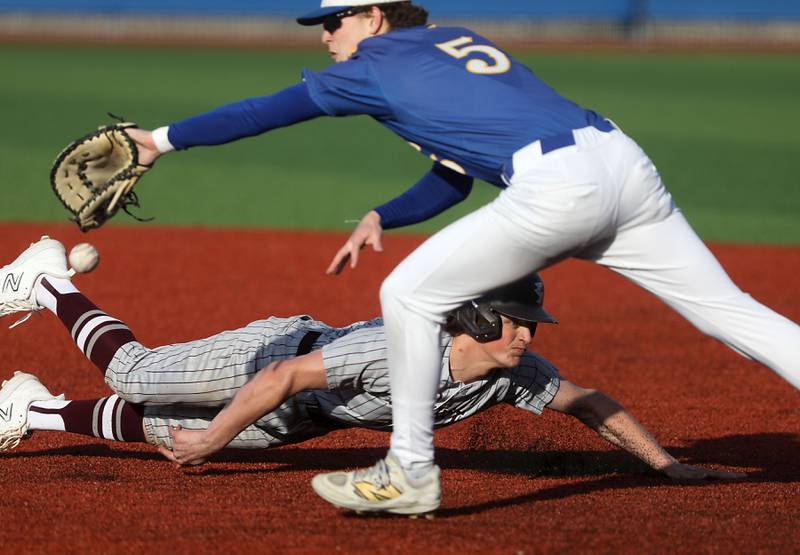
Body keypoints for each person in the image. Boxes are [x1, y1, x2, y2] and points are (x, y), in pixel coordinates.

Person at [73, 0, 800, 514]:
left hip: (558, 183)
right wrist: (386, 214)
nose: (326, 35)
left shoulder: (372, 65)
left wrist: (158, 140)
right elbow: (455, 171)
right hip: (620, 163)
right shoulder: (452, 41)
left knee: (408, 296)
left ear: (376, 17)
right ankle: (407, 468)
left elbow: (268, 110)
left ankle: (410, 471)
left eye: (335, 19)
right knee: (732, 313)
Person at [0, 236, 742, 516]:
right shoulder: (396, 346)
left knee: (168, 432)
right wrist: (218, 437)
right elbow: (288, 373)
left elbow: (591, 404)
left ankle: (32, 411)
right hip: (274, 356)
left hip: (306, 413)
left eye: (529, 326)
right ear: (477, 318)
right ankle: (47, 280)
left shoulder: (510, 373)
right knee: (136, 376)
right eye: (514, 321)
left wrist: (667, 464)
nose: (524, 335)